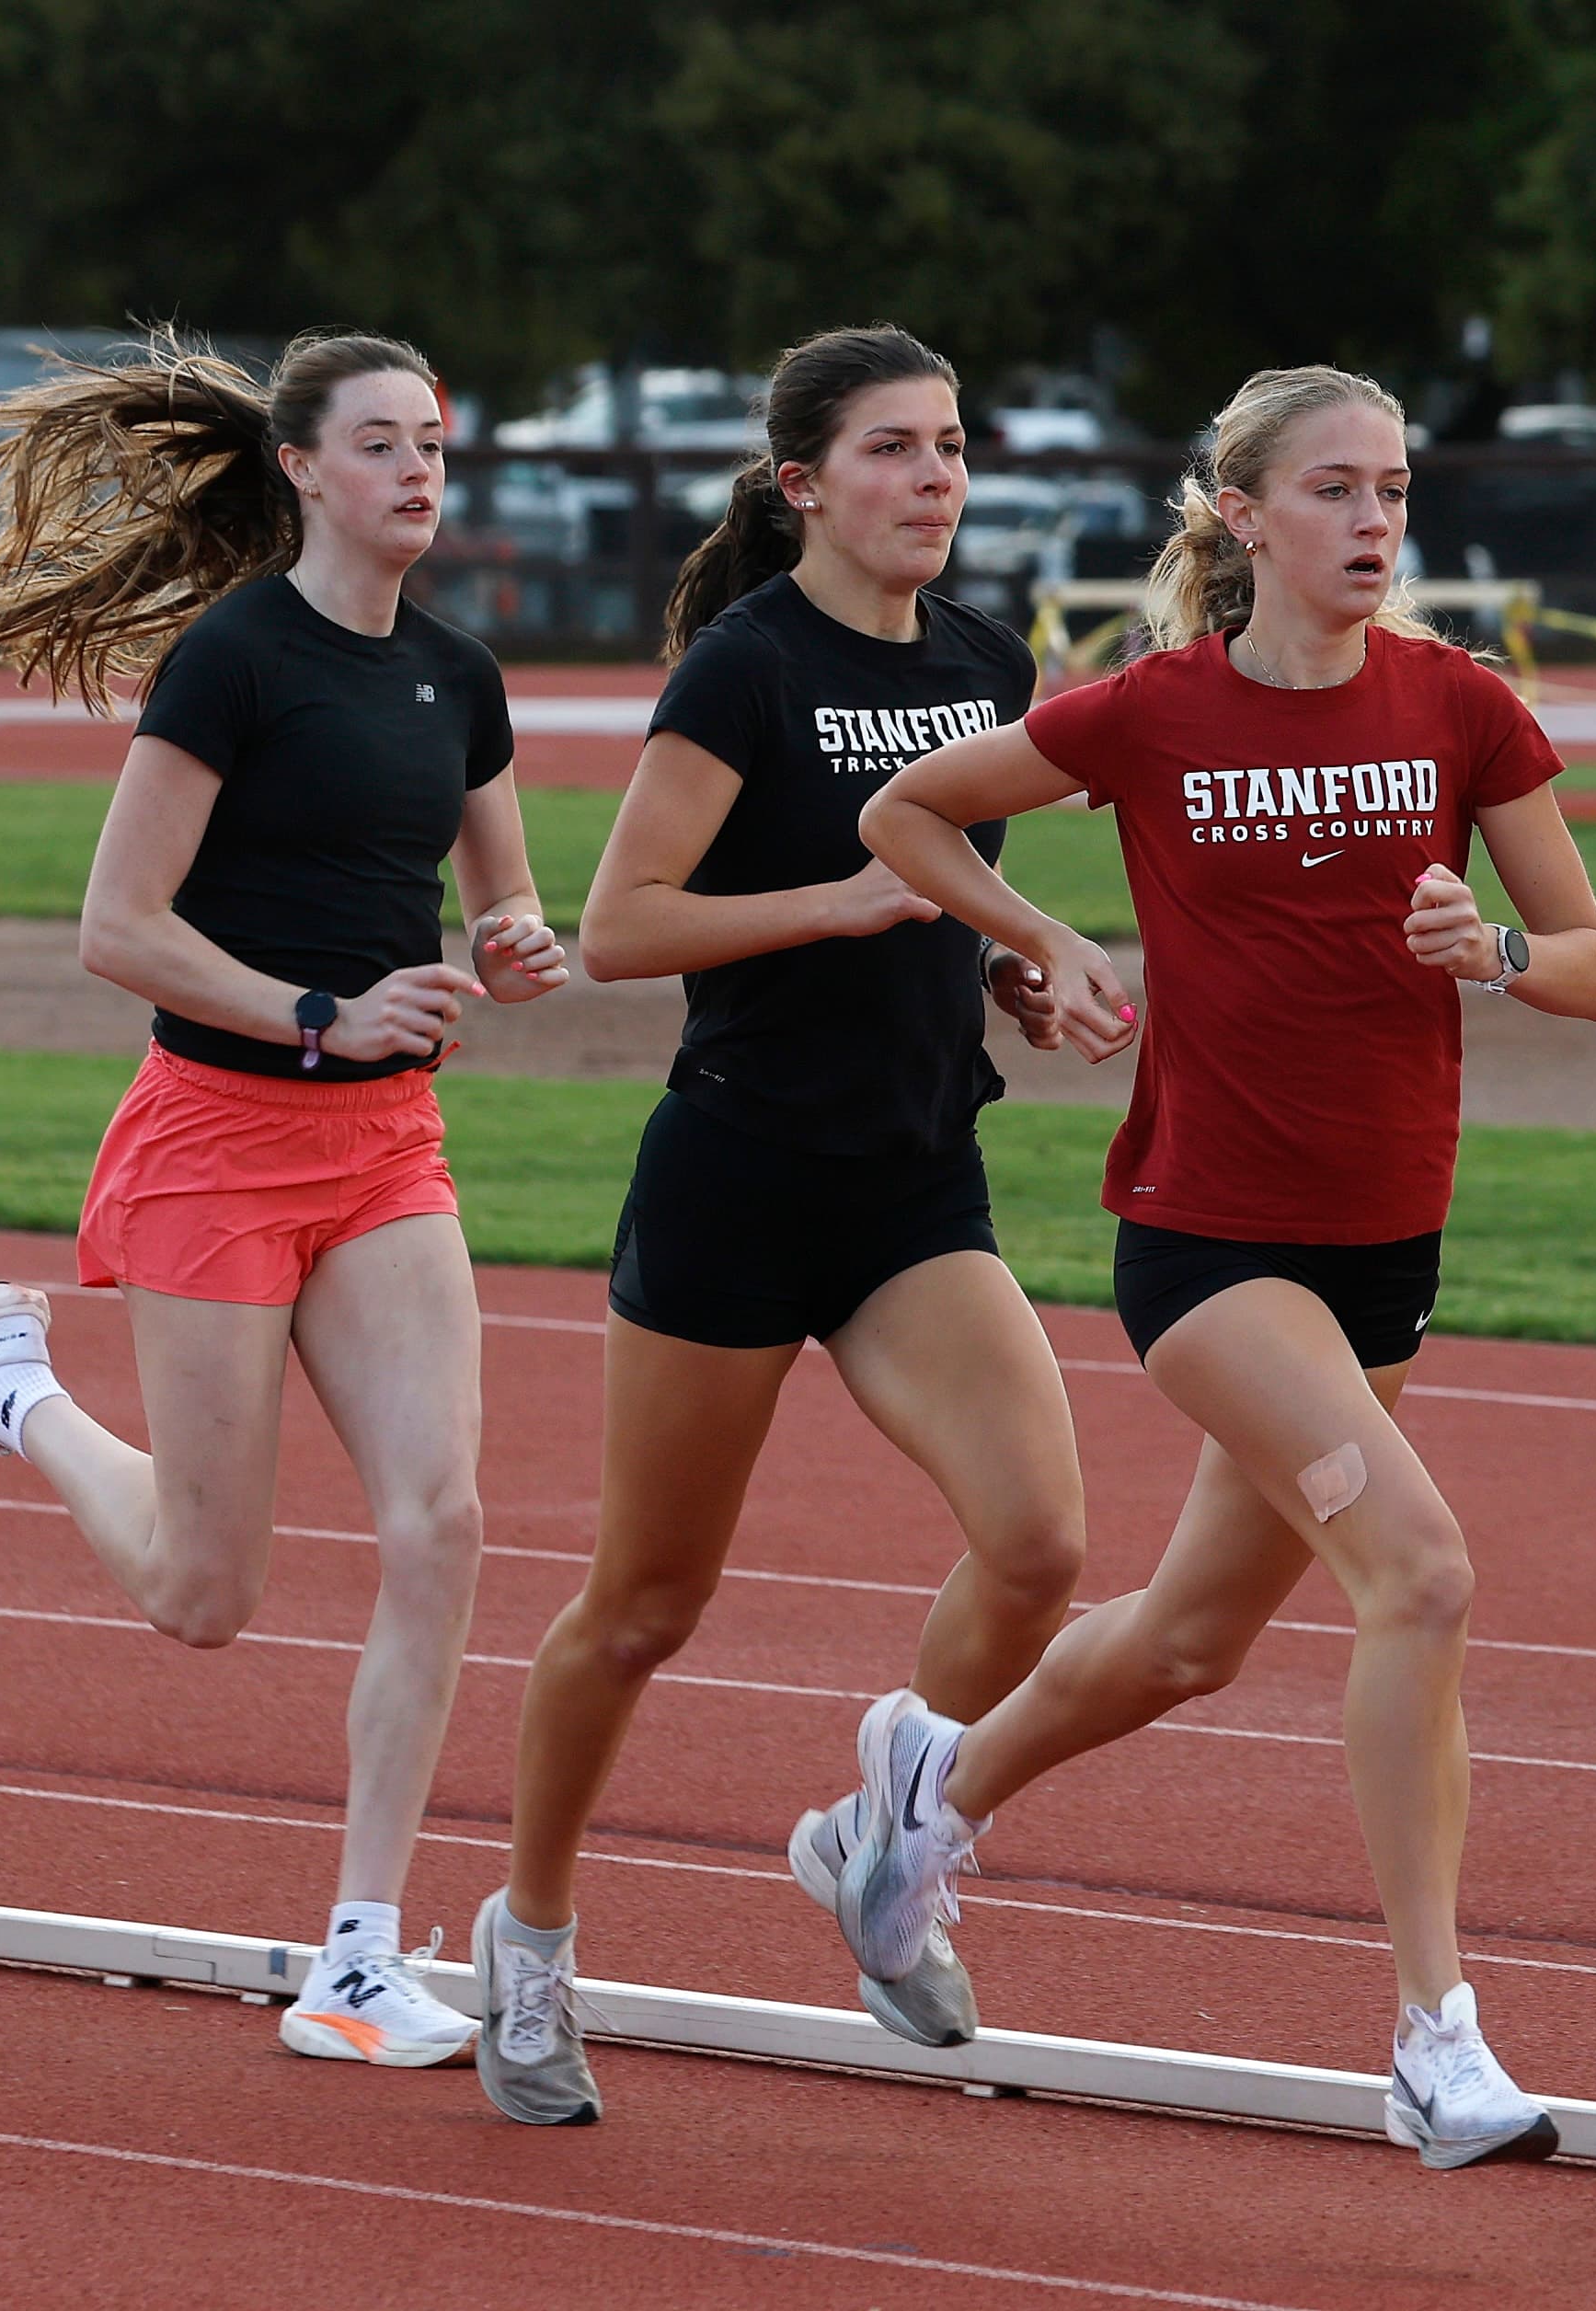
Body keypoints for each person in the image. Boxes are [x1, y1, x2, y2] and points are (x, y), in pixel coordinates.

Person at [833, 364, 1596, 2170]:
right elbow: (904, 815)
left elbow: (1590, 962)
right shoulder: (1149, 713)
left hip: (1380, 1246)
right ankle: (1434, 2035)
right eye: (1334, 489)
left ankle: (925, 1790)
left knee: (1189, 1636)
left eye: (1394, 490)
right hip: (1205, 1242)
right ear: (1244, 513)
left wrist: (1485, 942)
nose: (1372, 522)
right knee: (1416, 1574)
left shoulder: (1459, 710)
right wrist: (1042, 935)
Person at [0, 331, 571, 2069]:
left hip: (385, 1149)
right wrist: (320, 1013)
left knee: (447, 1525)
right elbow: (119, 930)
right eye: (385, 444)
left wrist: (516, 947)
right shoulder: (234, 659)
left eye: (436, 442)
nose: (421, 471)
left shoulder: (458, 675)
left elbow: (502, 901)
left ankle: (355, 1952)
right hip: (219, 1138)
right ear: (305, 471)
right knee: (205, 1593)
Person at [465, 325, 1087, 2127]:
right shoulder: (743, 670)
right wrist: (833, 901)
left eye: (954, 446)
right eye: (895, 449)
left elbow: (963, 880)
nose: (936, 479)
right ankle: (529, 1934)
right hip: (740, 1179)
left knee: (1038, 1542)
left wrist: (1009, 964)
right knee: (645, 1600)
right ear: (806, 482)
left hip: (911, 1179)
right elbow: (626, 925)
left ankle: (878, 1838)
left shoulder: (988, 656)